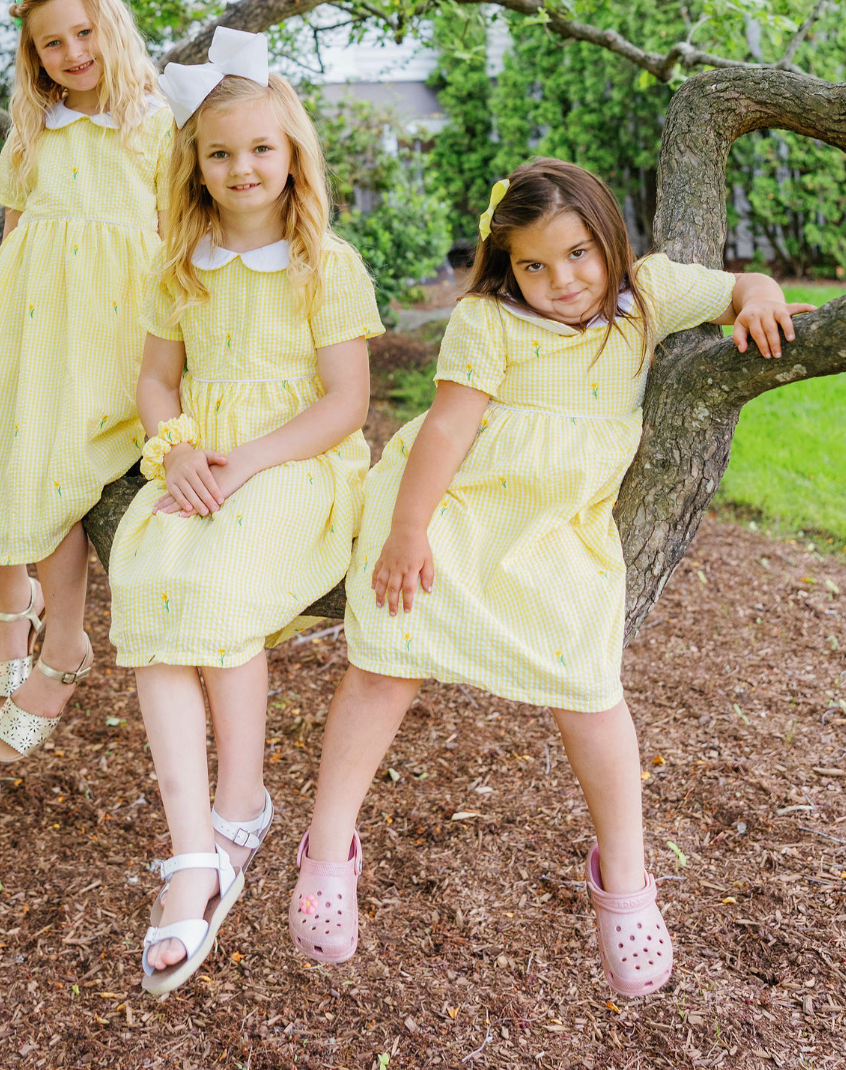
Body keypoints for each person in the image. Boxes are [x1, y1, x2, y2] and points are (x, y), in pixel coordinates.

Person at [290, 157, 813, 997]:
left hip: (559, 529)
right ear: (508, 267)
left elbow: (744, 280)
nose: (560, 280)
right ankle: (325, 853)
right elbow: (447, 435)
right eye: (533, 265)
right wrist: (408, 531)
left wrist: (755, 296)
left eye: (577, 255)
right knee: (385, 659)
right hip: (460, 508)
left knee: (590, 688)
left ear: (609, 239)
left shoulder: (647, 297)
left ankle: (629, 887)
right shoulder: (487, 322)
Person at [107, 30, 383, 996]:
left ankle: (240, 805)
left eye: (261, 149)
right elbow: (153, 376)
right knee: (149, 585)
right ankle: (195, 852)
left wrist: (253, 459)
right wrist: (178, 447)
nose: (241, 168)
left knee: (218, 585)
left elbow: (346, 401)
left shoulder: (325, 262)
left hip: (299, 461)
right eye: (220, 153)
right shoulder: (179, 261)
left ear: (292, 152)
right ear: (195, 163)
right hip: (203, 453)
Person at [0, 0, 172, 766]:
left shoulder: (154, 123)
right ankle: (15, 609)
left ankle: (64, 645)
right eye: (51, 44)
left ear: (109, 28)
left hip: (111, 329)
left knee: (61, 470)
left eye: (82, 33)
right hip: (28, 320)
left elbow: (176, 241)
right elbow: (14, 233)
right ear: (33, 57)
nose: (72, 52)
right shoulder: (34, 127)